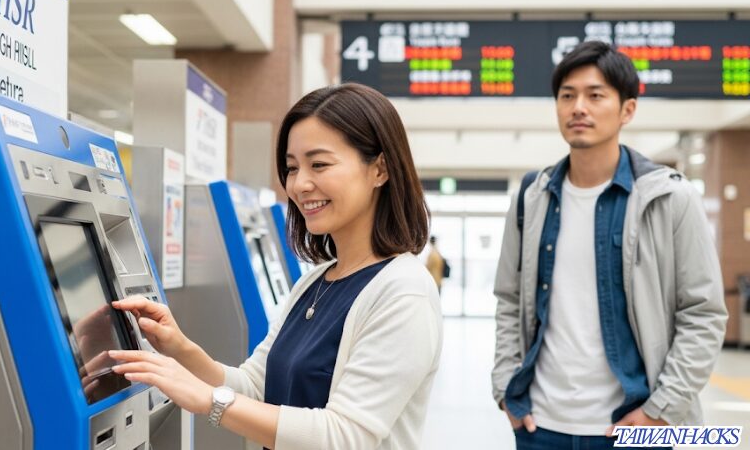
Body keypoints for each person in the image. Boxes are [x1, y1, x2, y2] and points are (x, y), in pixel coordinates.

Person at [109, 83, 443, 450]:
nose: (299, 184)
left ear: (379, 169)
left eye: (319, 164)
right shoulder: (316, 280)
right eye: (291, 167)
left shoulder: (404, 292)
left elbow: (346, 435)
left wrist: (207, 400)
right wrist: (178, 347)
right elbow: (255, 385)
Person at [491, 41, 727, 450]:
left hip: (635, 426)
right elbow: (509, 301)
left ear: (627, 109)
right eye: (567, 96)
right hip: (539, 427)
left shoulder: (669, 198)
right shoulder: (532, 196)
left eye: (595, 95)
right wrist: (504, 389)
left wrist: (660, 409)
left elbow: (703, 313)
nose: (578, 107)